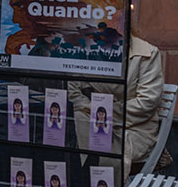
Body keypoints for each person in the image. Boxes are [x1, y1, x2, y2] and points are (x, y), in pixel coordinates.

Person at [70, 34, 164, 172]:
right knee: (73, 125)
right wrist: (95, 110)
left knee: (99, 145)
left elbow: (147, 102)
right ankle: (82, 181)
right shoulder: (88, 50)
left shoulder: (146, 53)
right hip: (94, 121)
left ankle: (99, 181)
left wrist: (101, 111)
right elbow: (73, 91)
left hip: (134, 128)